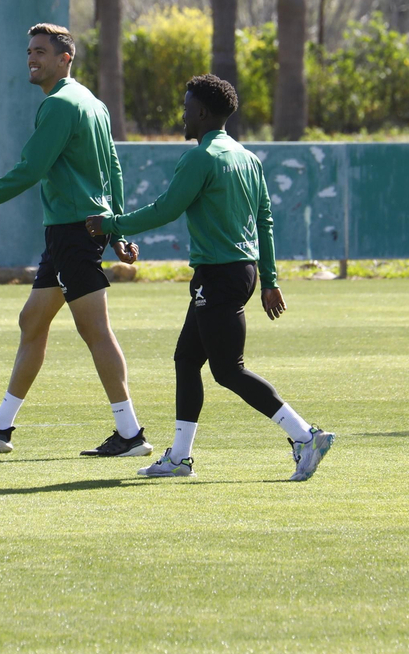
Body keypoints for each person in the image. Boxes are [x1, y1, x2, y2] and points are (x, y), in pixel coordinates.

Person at [86, 74, 334, 481]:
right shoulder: (247, 158)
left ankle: (305, 435)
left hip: (218, 276)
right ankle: (180, 458)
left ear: (201, 112)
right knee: (187, 359)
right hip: (240, 272)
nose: (182, 115)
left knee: (228, 370)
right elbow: (265, 221)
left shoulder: (200, 158)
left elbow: (165, 209)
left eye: (186, 108)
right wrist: (269, 280)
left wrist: (110, 223)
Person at [0, 23, 151, 458]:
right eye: (29, 52)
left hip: (72, 232)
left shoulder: (59, 105)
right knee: (32, 322)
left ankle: (131, 434)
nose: (31, 59)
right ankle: (0, 426)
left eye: (41, 51)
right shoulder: (93, 103)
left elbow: (31, 168)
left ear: (66, 58)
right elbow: (112, 170)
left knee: (95, 331)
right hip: (74, 232)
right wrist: (117, 230)